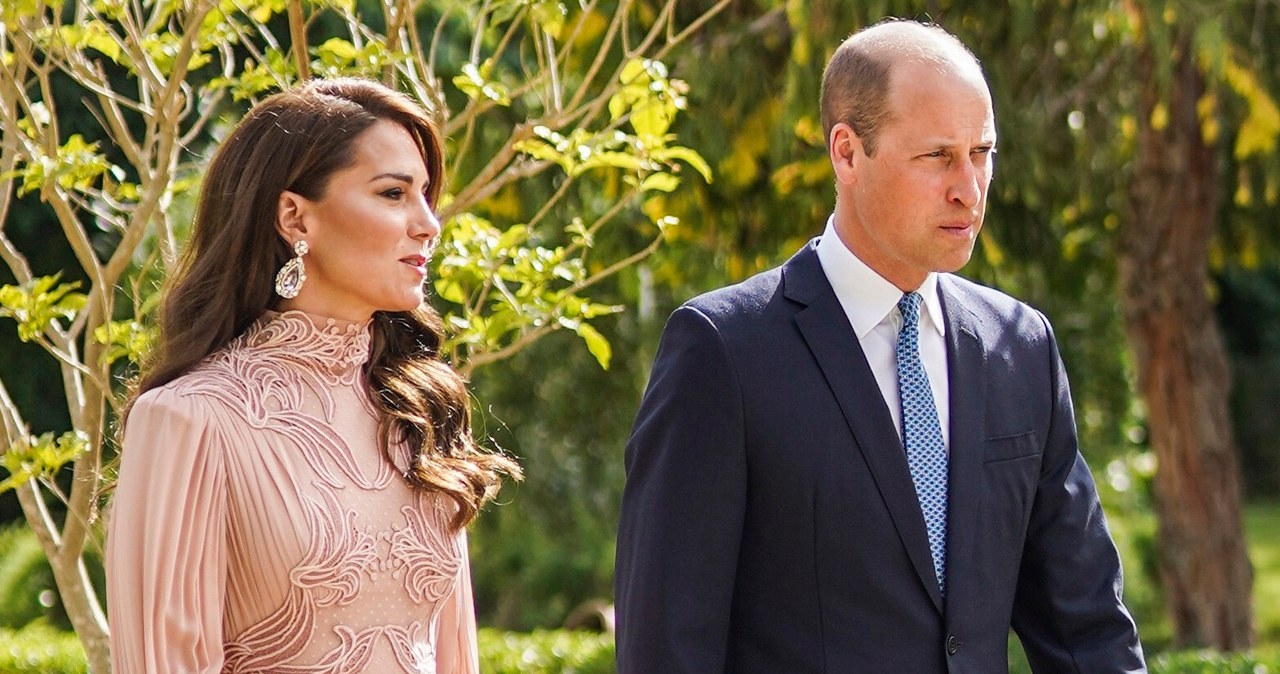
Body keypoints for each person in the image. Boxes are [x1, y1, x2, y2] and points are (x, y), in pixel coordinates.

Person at [615, 19, 1147, 673]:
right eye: (938, 156)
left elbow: (1087, 629)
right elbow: (668, 649)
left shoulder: (1020, 349)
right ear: (846, 152)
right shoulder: (723, 352)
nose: (969, 188)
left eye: (982, 153)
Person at [106, 77, 519, 673]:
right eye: (393, 194)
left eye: (426, 194)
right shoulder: (191, 420)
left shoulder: (416, 415)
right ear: (295, 217)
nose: (428, 223)